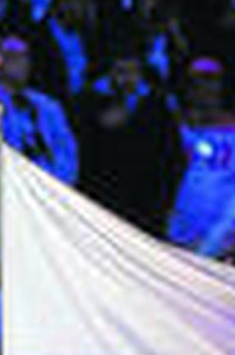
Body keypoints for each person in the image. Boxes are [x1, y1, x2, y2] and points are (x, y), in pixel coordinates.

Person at [167, 56, 235, 257]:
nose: (205, 88)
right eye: (197, 81)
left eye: (211, 80)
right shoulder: (172, 126)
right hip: (181, 235)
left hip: (225, 237)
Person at [74, 42, 181, 234]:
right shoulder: (87, 104)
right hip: (101, 203)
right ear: (110, 73)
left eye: (133, 72)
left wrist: (163, 205)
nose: (127, 79)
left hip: (147, 208)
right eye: (121, 71)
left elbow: (172, 158)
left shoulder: (157, 107)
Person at [0, 35, 77, 185]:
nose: (21, 64)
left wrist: (52, 182)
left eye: (24, 57)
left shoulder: (48, 105)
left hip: (50, 186)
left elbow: (67, 151)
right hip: (7, 186)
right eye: (12, 57)